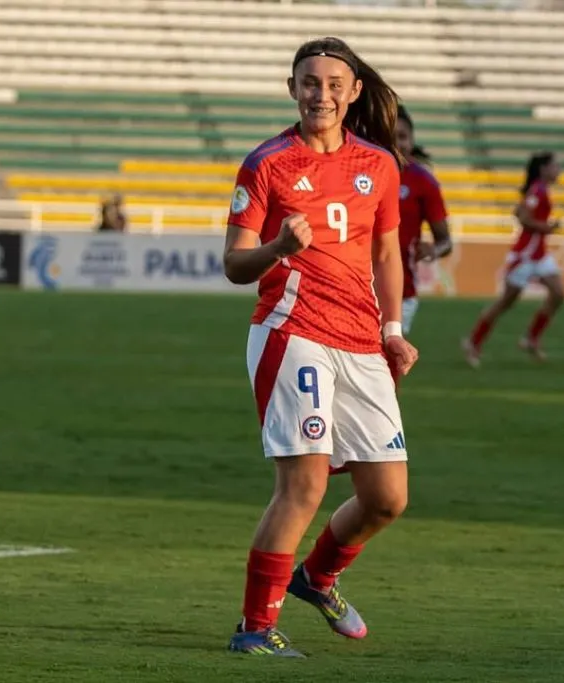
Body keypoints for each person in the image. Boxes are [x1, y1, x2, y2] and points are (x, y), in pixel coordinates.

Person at [222, 37, 419, 657]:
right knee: (303, 485)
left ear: (354, 92)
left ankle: (318, 577)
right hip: (292, 331)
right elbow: (232, 264)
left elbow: (386, 254)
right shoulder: (267, 164)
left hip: (361, 338)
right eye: (310, 82)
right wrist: (278, 249)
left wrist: (392, 330)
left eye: (335, 84)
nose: (322, 94)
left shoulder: (380, 165)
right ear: (292, 88)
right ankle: (255, 629)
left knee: (387, 497)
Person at [462, 151, 564, 367]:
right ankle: (473, 342)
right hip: (525, 256)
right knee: (506, 302)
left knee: (559, 293)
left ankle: (530, 338)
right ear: (544, 169)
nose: (559, 170)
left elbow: (519, 211)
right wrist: (547, 227)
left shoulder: (538, 190)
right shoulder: (538, 190)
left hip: (539, 254)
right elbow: (524, 218)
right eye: (556, 166)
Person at [395, 105, 452, 336]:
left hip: (401, 291)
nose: (397, 143)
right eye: (388, 136)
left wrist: (433, 250)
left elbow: (446, 241)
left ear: (411, 140)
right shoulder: (358, 174)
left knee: (385, 368)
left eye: (402, 137)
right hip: (354, 290)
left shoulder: (423, 181)